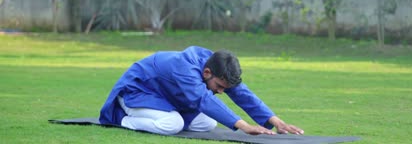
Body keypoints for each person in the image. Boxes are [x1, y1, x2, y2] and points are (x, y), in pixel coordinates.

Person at [99, 46, 304, 136]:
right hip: (135, 94)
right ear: (207, 72)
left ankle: (148, 117)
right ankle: (122, 120)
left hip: (163, 98)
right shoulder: (185, 68)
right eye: (219, 87)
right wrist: (244, 126)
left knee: (208, 123)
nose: (222, 92)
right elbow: (204, 100)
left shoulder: (216, 66)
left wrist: (274, 121)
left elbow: (242, 93)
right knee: (174, 124)